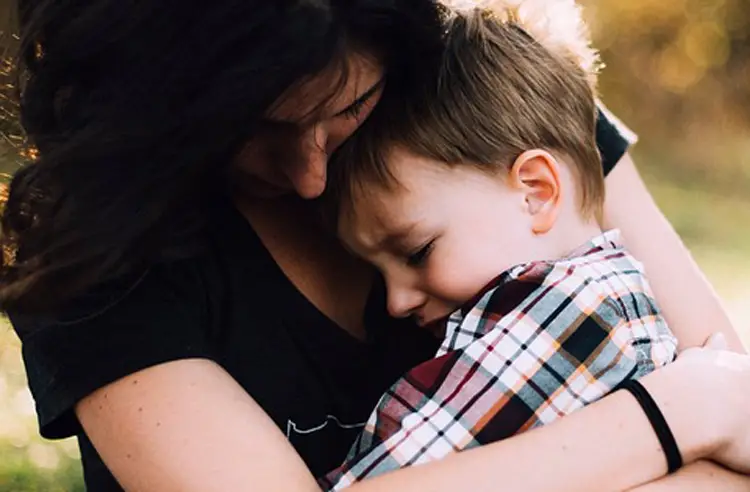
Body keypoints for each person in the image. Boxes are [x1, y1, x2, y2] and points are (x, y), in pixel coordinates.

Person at [0, 1, 748, 491]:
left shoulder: (501, 113)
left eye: (348, 108)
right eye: (248, 131)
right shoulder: (98, 247)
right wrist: (673, 417)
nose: (309, 177)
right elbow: (722, 406)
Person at [320, 4, 680, 487]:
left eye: (417, 251)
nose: (395, 301)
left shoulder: (570, 315)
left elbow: (397, 473)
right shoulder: (609, 297)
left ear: (535, 192)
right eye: (377, 271)